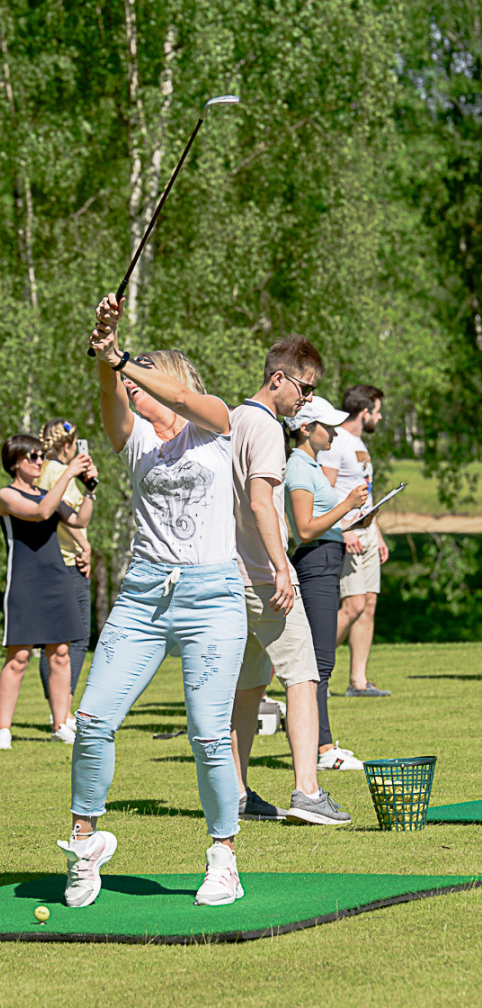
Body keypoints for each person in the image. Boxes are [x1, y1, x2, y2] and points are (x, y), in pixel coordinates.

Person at [57, 294, 247, 910]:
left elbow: (194, 403)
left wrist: (123, 356)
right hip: (143, 595)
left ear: (168, 381)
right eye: (129, 384)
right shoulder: (134, 440)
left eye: (141, 382)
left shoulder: (217, 426)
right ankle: (85, 841)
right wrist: (108, 359)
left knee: (209, 735)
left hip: (212, 595)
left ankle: (224, 856)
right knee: (91, 723)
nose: (132, 391)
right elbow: (112, 400)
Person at [230, 336, 352, 826]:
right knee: (303, 676)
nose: (305, 401)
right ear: (277, 378)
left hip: (232, 575)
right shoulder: (262, 426)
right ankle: (307, 792)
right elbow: (262, 502)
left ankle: (237, 794)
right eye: (303, 389)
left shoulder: (234, 419)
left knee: (247, 689)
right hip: (265, 577)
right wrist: (283, 567)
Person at [0, 434, 97, 749]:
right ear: (14, 463)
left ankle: (61, 724)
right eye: (32, 457)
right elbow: (39, 513)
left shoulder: (46, 493)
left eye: (41, 456)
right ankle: (3, 729)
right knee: (19, 656)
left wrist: (90, 490)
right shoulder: (6, 495)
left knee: (61, 654)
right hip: (25, 579)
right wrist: (67, 473)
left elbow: (78, 520)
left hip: (56, 577)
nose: (39, 462)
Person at [284, 397, 369, 771]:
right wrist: (348, 504)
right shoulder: (299, 467)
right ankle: (322, 751)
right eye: (327, 426)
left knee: (322, 660)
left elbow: (320, 520)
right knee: (318, 661)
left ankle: (325, 744)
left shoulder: (312, 465)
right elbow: (303, 529)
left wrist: (349, 519)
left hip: (325, 558)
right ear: (306, 428)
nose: (333, 431)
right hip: (315, 561)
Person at [318, 385, 390, 696]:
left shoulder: (358, 443)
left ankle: (358, 682)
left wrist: (379, 533)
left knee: (368, 604)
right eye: (377, 410)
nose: (380, 416)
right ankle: (304, 663)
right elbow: (324, 490)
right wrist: (342, 530)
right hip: (347, 531)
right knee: (353, 605)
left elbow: (366, 493)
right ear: (364, 412)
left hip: (368, 531)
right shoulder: (336, 442)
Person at [37, 419, 95, 729]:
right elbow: (70, 519)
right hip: (68, 561)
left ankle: (56, 709)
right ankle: (64, 711)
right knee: (76, 638)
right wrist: (85, 548)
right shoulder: (61, 473)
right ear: (69, 445)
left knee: (52, 642)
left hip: (45, 561)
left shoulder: (41, 470)